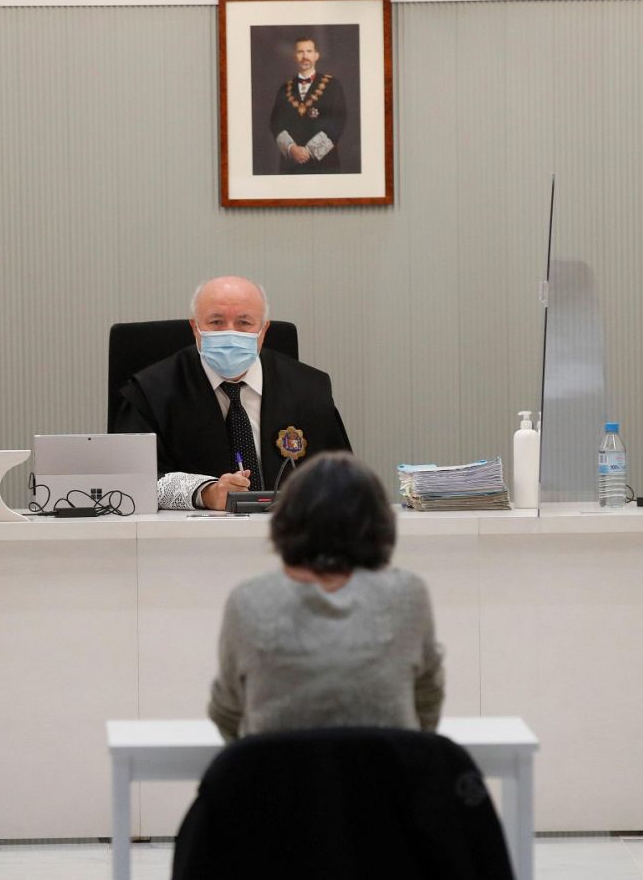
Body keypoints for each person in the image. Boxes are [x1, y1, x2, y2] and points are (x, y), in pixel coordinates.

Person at [207, 452, 445, 743]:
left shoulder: (248, 601)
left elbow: (227, 713)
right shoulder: (408, 594)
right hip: (385, 780)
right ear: (380, 525)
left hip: (275, 783)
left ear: (285, 521)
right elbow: (427, 703)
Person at [112, 275, 352, 510]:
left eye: (244, 323)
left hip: (289, 536)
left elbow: (343, 478)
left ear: (263, 330)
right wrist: (205, 493)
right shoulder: (149, 393)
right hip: (188, 541)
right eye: (216, 322)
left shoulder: (309, 388)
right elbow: (131, 482)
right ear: (195, 327)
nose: (230, 333)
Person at [267, 36, 349, 175]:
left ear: (316, 55)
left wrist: (308, 151)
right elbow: (275, 123)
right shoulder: (284, 88)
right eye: (300, 52)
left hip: (325, 164)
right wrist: (292, 149)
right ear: (294, 56)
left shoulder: (333, 85)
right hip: (291, 165)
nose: (305, 56)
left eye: (309, 51)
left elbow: (338, 121)